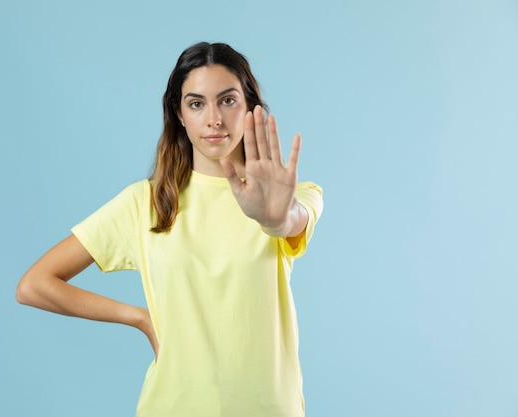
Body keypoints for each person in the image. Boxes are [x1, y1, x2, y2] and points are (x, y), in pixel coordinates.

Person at [16, 41, 323, 417]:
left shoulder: (292, 196)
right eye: (196, 104)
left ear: (249, 108)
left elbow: (292, 221)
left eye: (227, 101)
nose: (214, 119)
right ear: (178, 114)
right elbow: (34, 285)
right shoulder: (145, 203)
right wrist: (140, 318)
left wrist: (275, 219)